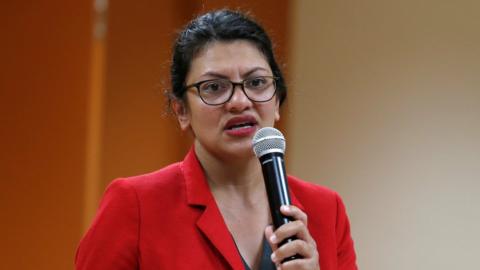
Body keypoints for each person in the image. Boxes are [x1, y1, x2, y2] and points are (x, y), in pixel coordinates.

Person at [75, 9, 357, 270]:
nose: (239, 101)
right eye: (214, 87)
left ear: (278, 101)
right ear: (182, 110)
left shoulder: (325, 210)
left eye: (256, 82)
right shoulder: (135, 205)